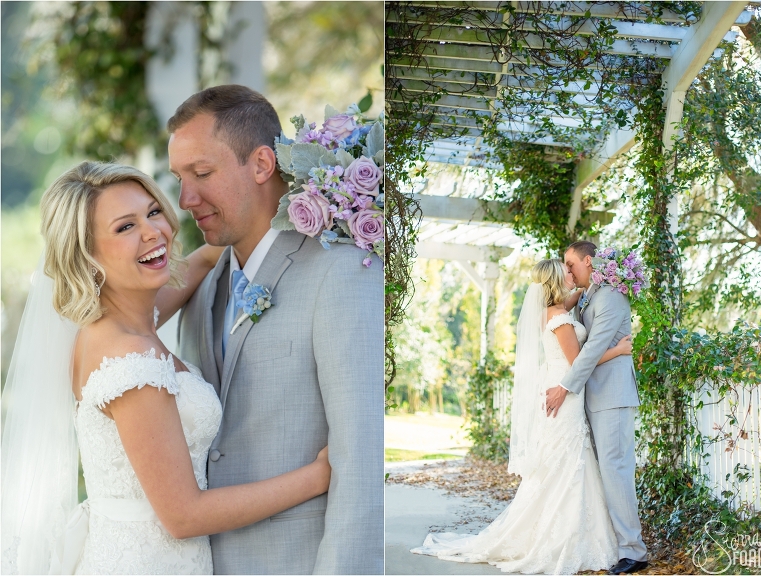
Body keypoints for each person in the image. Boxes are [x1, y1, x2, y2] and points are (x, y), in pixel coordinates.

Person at [1, 161, 331, 575]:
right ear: (87, 256)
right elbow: (184, 516)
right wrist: (318, 477)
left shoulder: (118, 320)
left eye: (153, 212)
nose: (153, 231)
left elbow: (202, 260)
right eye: (124, 228)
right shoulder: (130, 364)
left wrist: (304, 201)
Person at [168, 85, 384, 574]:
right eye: (179, 178)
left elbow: (361, 459)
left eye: (201, 173)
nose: (185, 199)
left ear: (263, 165)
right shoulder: (201, 290)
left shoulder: (343, 273)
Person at [412, 258, 633, 574]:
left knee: (565, 463)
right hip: (565, 392)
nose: (572, 274)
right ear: (556, 281)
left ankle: (571, 531)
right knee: (568, 463)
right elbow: (579, 362)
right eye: (566, 272)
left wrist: (590, 286)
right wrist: (618, 351)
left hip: (561, 388)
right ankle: (561, 538)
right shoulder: (560, 320)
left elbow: (574, 299)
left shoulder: (555, 310)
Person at [546, 240, 648, 575]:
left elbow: (589, 352)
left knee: (616, 472)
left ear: (588, 261)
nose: (567, 269)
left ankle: (634, 551)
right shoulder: (590, 294)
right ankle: (618, 543)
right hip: (595, 396)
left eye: (570, 263)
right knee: (608, 473)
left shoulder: (611, 298)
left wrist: (563, 387)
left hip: (613, 396)